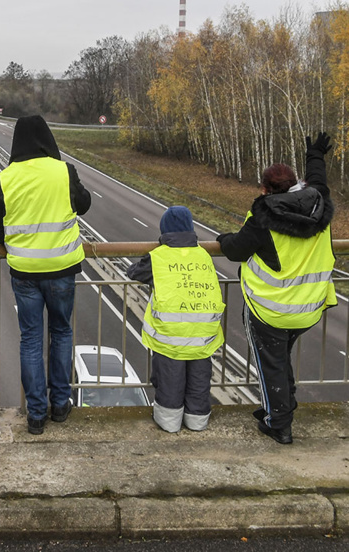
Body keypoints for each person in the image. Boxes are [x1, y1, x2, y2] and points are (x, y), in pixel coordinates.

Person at [217, 132, 337, 445]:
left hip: (270, 311)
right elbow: (319, 180)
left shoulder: (263, 217)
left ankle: (279, 424)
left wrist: (222, 238)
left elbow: (236, 250)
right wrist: (315, 154)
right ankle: (282, 405)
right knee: (280, 359)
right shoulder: (319, 205)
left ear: (267, 189)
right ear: (296, 186)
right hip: (310, 307)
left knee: (271, 365)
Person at [0, 115, 91, 435]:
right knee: (61, 333)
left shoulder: (3, 179)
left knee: (30, 341)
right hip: (62, 270)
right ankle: (60, 404)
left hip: (25, 272)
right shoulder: (64, 171)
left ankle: (36, 415)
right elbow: (84, 205)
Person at [127, 206, 225, 433]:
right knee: (199, 379)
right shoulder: (204, 255)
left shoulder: (159, 257)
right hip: (203, 336)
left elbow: (134, 272)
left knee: (170, 379)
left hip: (170, 336)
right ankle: (197, 420)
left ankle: (169, 422)